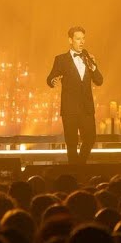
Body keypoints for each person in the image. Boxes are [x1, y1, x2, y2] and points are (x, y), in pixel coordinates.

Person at [46, 26, 104, 163]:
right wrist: (52, 81)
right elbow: (50, 78)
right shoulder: (61, 59)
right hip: (70, 109)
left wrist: (93, 66)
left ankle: (79, 165)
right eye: (78, 39)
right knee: (71, 144)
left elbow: (99, 81)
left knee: (90, 139)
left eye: (83, 38)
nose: (82, 42)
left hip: (86, 109)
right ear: (70, 40)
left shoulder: (89, 58)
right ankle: (75, 171)